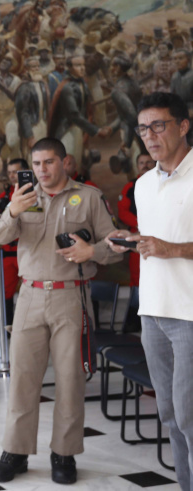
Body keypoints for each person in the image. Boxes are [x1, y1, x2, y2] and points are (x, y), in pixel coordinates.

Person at [0, 138, 121, 485]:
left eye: (49, 162)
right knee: (23, 380)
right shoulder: (23, 197)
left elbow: (114, 244)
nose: (42, 170)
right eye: (36, 164)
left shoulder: (89, 196)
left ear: (65, 162)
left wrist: (91, 251)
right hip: (30, 295)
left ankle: (64, 453)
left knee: (70, 379)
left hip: (71, 297)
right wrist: (12, 210)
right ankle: (15, 452)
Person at [107, 92, 193, 490]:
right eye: (144, 128)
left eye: (159, 125)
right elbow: (156, 236)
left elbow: (171, 243)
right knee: (169, 414)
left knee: (190, 414)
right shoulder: (142, 184)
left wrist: (171, 249)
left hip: (190, 312)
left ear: (183, 126)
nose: (150, 135)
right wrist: (130, 238)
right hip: (153, 311)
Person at [0, 158, 30, 341]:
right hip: (7, 252)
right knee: (5, 293)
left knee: (29, 292)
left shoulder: (33, 194)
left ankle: (27, 330)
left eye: (16, 171)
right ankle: (4, 327)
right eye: (10, 172)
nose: (12, 175)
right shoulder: (4, 195)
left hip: (27, 251)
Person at [115, 152, 156, 333]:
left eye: (148, 162)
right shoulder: (131, 186)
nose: (145, 165)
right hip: (137, 236)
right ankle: (133, 323)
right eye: (141, 162)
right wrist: (142, 225)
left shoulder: (164, 183)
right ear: (137, 164)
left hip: (162, 238)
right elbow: (123, 212)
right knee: (137, 280)